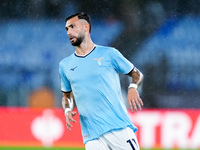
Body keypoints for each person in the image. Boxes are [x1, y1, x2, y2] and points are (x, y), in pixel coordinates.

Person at [59, 12, 144, 150]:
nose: (69, 32)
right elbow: (66, 96)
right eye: (67, 29)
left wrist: (133, 87)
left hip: (118, 128)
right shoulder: (65, 65)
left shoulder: (109, 54)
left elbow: (137, 74)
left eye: (72, 27)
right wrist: (68, 109)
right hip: (91, 136)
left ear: (85, 27)